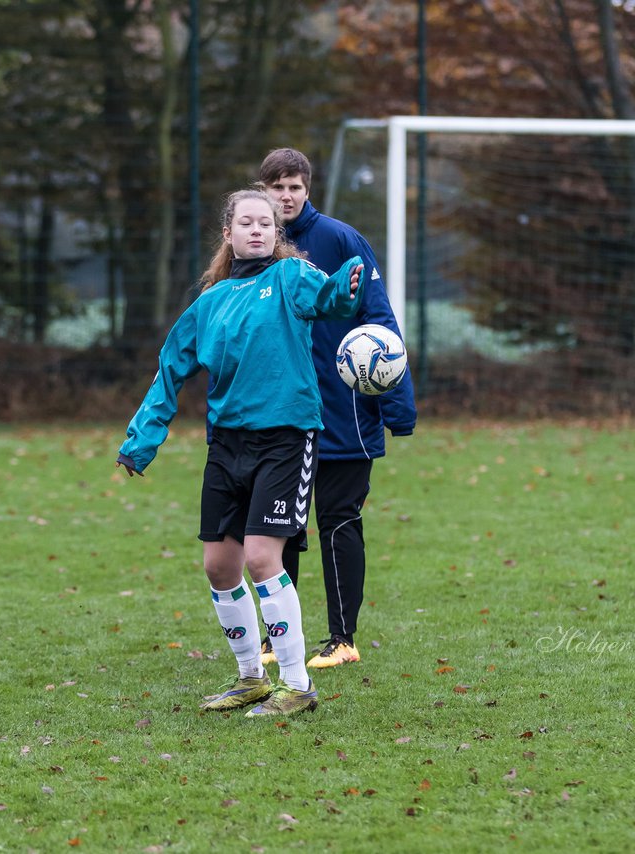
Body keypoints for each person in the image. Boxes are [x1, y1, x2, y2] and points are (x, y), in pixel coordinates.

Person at [116, 188, 363, 716]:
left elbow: (330, 301)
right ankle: (251, 678)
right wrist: (141, 440)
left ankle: (297, 686)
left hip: (286, 437)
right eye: (246, 223)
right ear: (227, 234)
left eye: (267, 224)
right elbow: (170, 370)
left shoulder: (293, 278)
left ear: (278, 234)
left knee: (260, 556)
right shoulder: (209, 303)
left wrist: (345, 286)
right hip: (227, 443)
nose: (257, 230)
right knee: (219, 566)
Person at [257, 148, 417, 670]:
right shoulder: (250, 246)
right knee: (280, 527)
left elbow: (380, 324)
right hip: (279, 414)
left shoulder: (340, 241)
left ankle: (342, 638)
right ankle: (278, 639)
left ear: (308, 190)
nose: (285, 196)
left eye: (294, 187)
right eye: (276, 187)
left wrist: (398, 407)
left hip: (343, 412)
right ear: (263, 190)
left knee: (339, 520)